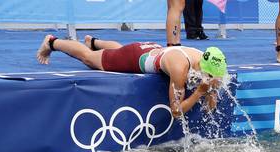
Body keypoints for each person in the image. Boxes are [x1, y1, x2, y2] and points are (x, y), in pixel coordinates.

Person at [36, 35, 227, 118]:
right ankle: (53, 42)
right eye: (210, 76)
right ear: (204, 68)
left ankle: (94, 42)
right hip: (135, 57)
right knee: (89, 58)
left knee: (118, 52)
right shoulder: (180, 68)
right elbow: (176, 111)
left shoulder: (203, 58)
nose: (211, 78)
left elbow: (211, 107)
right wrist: (199, 92)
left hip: (151, 50)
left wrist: (212, 91)